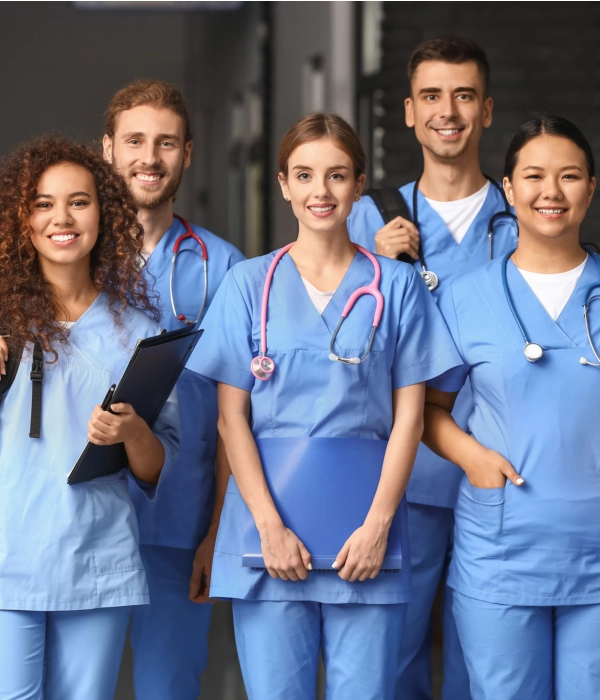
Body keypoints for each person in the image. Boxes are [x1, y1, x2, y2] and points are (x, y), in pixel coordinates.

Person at [187, 113, 461, 700]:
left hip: (367, 538)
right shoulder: (246, 285)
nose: (321, 191)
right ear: (283, 183)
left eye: (337, 176)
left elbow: (410, 417)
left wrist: (378, 528)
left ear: (359, 185)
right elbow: (231, 418)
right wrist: (268, 529)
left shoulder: (397, 286)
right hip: (268, 535)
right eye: (305, 175)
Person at [347, 36, 518, 698]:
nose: (449, 111)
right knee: (392, 658)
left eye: (465, 96)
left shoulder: (523, 218)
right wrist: (374, 266)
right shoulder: (366, 217)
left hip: (499, 475)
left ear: (488, 110)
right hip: (402, 479)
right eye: (432, 97)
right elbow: (331, 345)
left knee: (492, 665)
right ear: (410, 113)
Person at [423, 115, 600, 699]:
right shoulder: (465, 297)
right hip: (502, 554)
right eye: (534, 176)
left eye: (570, 176)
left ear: (591, 190)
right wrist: (472, 456)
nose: (551, 192)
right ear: (509, 189)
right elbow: (428, 411)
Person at [0, 137, 179, 700]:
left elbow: (153, 470)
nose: (62, 218)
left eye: (79, 202)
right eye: (44, 203)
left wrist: (132, 432)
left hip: (96, 560)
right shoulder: (2, 324)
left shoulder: (139, 331)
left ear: (105, 213)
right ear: (22, 219)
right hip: (9, 556)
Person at [103, 79, 244, 699]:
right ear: (107, 149)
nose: (149, 158)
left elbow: (239, 415)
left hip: (178, 520)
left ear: (188, 153)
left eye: (166, 143)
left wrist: (219, 529)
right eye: (134, 140)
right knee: (76, 682)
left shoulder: (226, 267)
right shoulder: (69, 252)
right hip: (86, 516)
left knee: (170, 686)